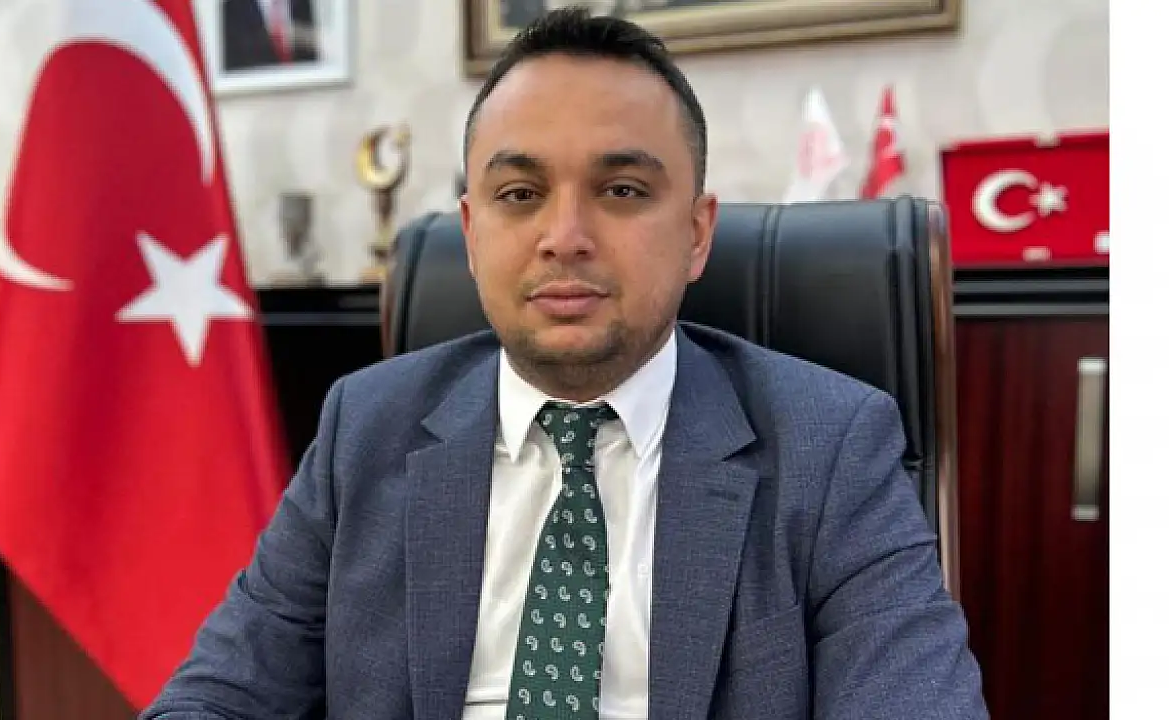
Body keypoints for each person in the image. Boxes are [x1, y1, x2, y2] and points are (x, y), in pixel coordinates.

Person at [142, 7, 988, 719]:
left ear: (697, 233)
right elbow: (217, 698)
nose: (565, 236)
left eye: (622, 191)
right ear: (472, 233)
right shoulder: (366, 428)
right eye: (520, 195)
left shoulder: (831, 448)